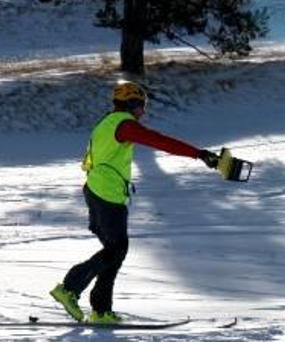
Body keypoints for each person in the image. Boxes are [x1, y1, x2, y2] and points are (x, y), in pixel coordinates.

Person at [49, 81, 222, 323]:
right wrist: (199, 153)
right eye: (142, 106)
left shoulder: (106, 123)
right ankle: (70, 288)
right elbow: (159, 141)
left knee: (115, 251)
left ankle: (101, 311)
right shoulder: (124, 124)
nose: (143, 112)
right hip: (107, 194)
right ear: (131, 103)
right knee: (117, 250)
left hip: (96, 190)